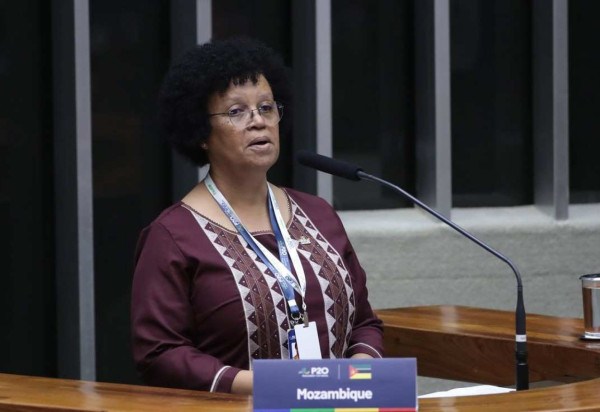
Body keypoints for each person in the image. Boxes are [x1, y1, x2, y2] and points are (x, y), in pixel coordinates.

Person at [131, 37, 383, 395]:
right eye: (236, 112)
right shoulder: (173, 236)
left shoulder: (318, 214)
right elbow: (160, 354)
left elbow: (364, 322)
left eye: (266, 108)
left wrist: (357, 377)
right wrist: (267, 386)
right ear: (200, 132)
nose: (258, 122)